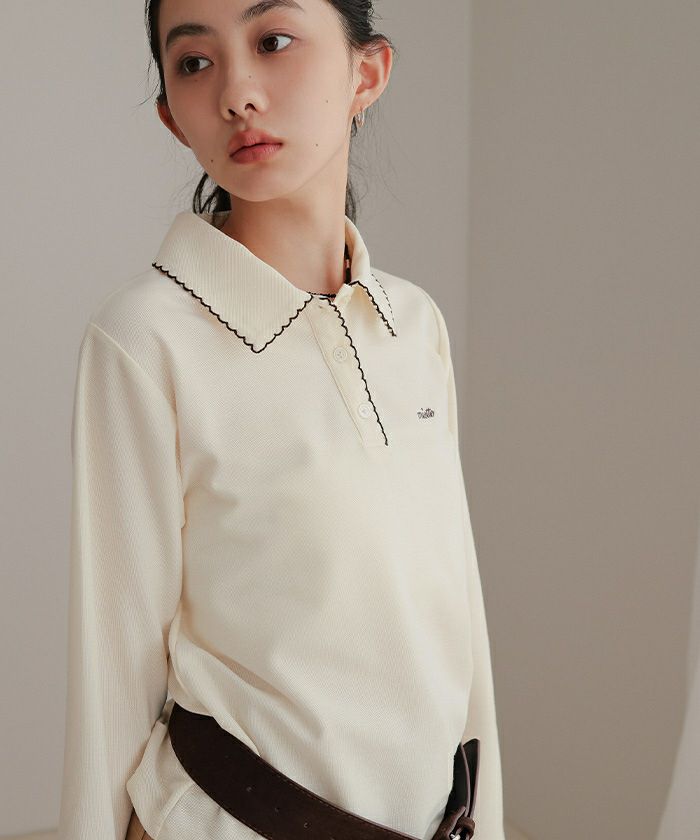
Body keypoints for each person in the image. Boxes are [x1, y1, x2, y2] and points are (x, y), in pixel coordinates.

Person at [56, 1, 506, 839]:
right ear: (172, 116)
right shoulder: (144, 340)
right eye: (195, 63)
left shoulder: (414, 326)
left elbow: (458, 626)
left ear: (366, 73)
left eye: (273, 41)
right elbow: (112, 664)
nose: (237, 93)